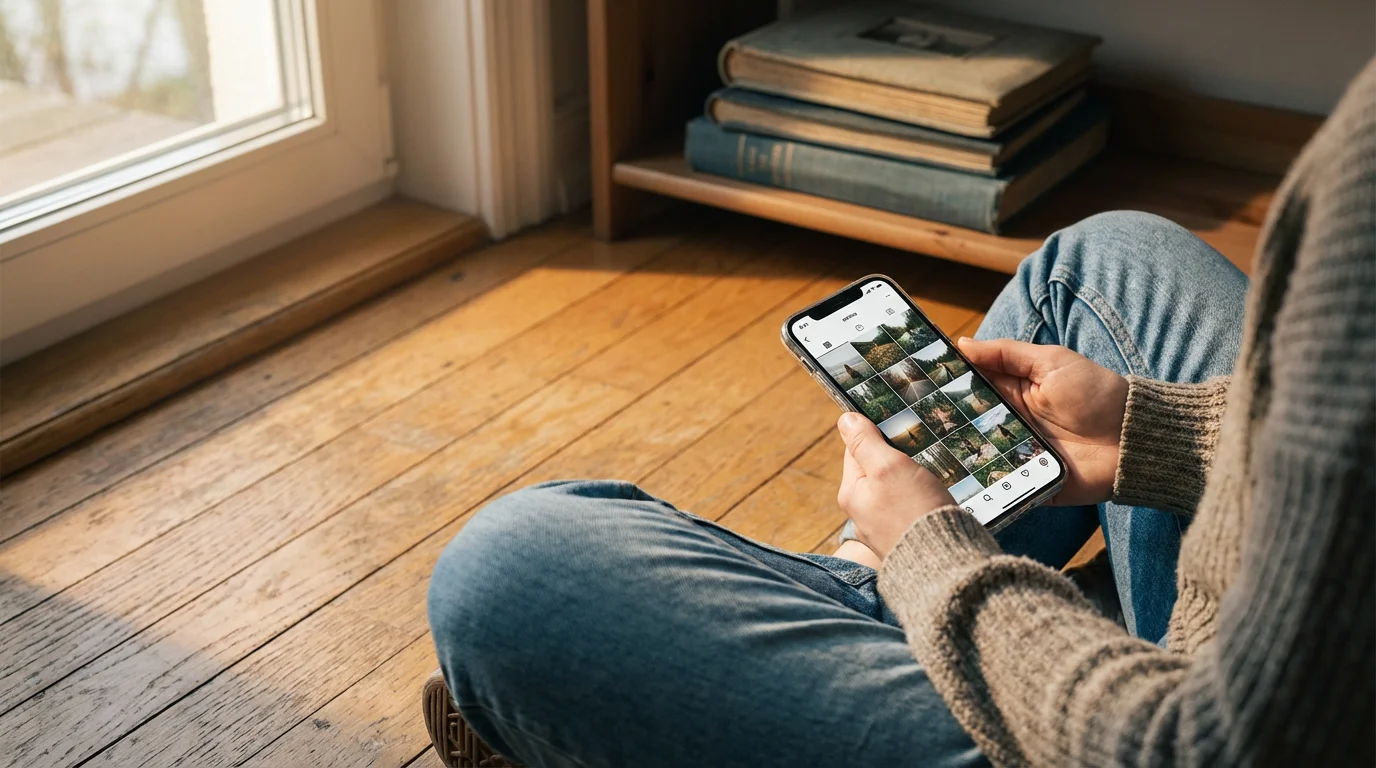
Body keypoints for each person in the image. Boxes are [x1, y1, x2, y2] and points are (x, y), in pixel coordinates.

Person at [423, 60, 1374, 768]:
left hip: (1181, 726)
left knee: (512, 574)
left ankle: (851, 618)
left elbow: (1203, 749)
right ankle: (878, 605)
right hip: (1294, 639)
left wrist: (933, 552)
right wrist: (1161, 432)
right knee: (1104, 264)